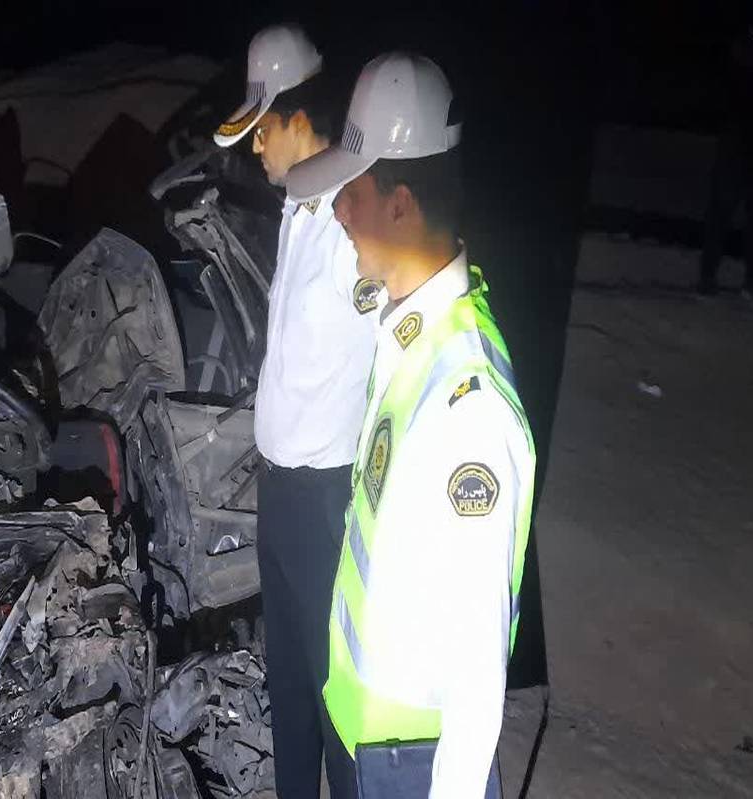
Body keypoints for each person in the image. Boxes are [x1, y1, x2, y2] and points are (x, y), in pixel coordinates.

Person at [287, 52, 537, 798]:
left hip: (414, 765)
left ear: (401, 205)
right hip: (367, 738)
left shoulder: (466, 404)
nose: (339, 212)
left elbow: (476, 671)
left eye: (352, 194)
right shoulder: (408, 336)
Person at [213, 24, 375, 799]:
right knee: (289, 693)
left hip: (325, 501)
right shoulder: (298, 208)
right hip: (279, 494)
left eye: (263, 129)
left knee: (335, 694)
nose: (255, 147)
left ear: (301, 119)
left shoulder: (350, 226)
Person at [699, 16, 753, 308]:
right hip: (738, 135)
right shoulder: (747, 34)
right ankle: (707, 275)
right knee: (723, 207)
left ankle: (752, 278)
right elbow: (736, 58)